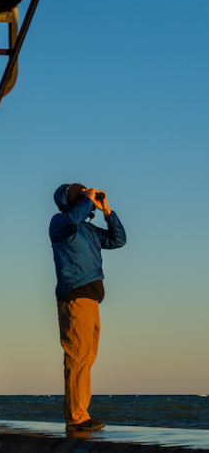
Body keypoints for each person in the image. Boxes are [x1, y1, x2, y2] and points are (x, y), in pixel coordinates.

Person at [50, 183, 127, 431]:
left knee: (87, 359)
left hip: (91, 299)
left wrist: (107, 210)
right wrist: (86, 200)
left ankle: (81, 414)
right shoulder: (60, 223)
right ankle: (76, 417)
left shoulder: (89, 230)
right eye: (81, 193)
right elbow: (72, 219)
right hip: (75, 296)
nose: (88, 196)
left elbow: (118, 240)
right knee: (77, 358)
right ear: (73, 199)